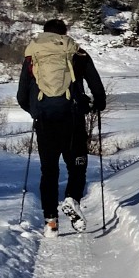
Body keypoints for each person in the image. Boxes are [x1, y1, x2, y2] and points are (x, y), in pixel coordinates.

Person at [17, 18, 106, 236]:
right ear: (65, 33)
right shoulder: (77, 53)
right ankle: (71, 199)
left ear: (44, 33)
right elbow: (96, 86)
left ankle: (50, 222)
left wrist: (36, 112)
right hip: (72, 118)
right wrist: (97, 105)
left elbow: (21, 96)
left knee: (49, 171)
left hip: (45, 120)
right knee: (77, 164)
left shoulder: (33, 56)